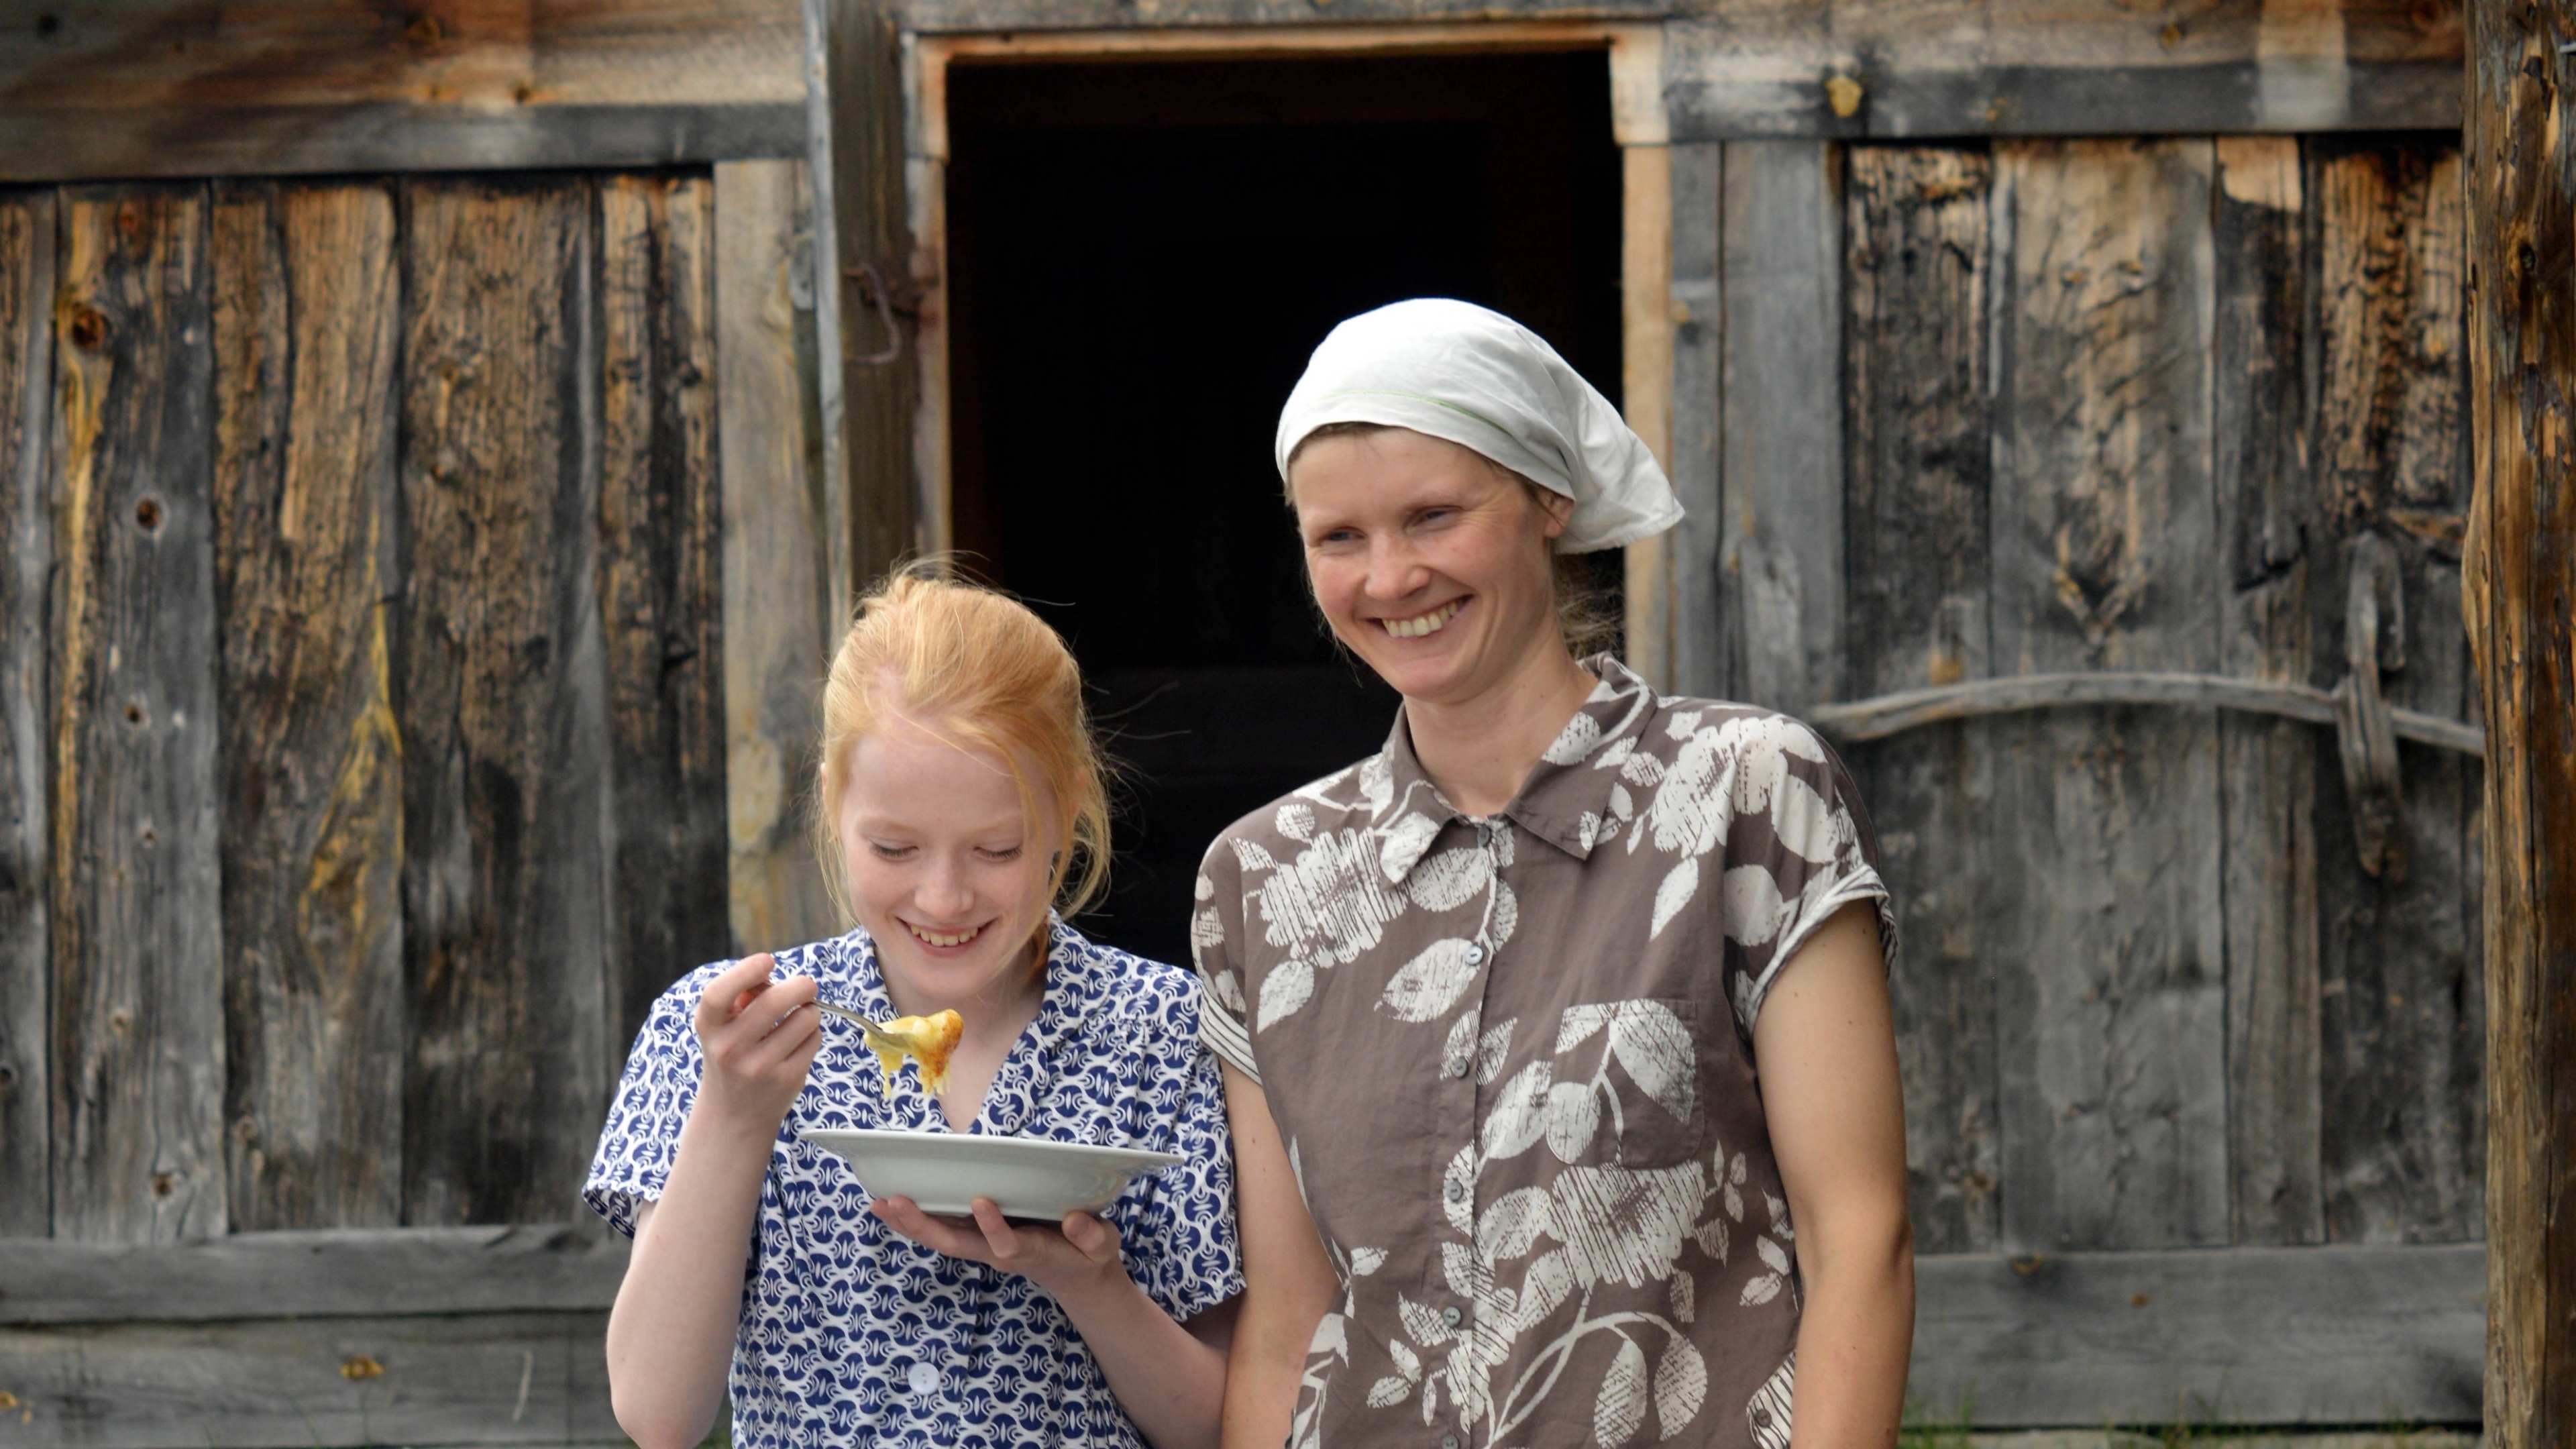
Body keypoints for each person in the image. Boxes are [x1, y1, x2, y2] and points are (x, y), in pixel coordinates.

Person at [1193, 300, 1913, 1449]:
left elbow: (1858, 1237)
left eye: (1434, 516)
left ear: (1547, 501)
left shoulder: (1747, 791)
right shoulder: (1264, 879)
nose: (1390, 577)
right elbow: (1288, 1323)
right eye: (1341, 538)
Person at [587, 568, 1243, 1449]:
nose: (943, 897)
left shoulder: (1167, 1036)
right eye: (894, 847)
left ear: (1068, 810)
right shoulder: (729, 1036)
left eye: (996, 848)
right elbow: (656, 1412)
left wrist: (1091, 1285)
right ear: (832, 802)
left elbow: (1221, 1426)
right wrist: (734, 1118)